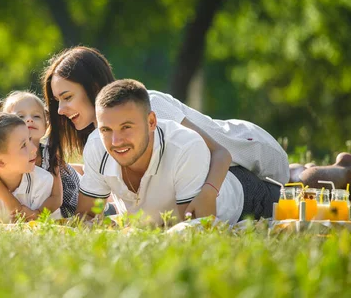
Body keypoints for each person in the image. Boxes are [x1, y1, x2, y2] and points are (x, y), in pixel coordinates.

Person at [42, 46, 290, 218]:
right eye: (57, 101)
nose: (61, 109)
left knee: (303, 183)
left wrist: (208, 193)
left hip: (246, 151)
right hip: (208, 174)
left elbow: (221, 153)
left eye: (67, 97)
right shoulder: (100, 138)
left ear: (93, 87)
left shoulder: (152, 106)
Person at [76, 80, 280, 224]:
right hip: (174, 194)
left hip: (243, 197)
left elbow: (189, 229)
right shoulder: (97, 147)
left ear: (151, 122)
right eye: (106, 129)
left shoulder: (184, 146)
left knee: (300, 197)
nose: (116, 141)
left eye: (126, 127)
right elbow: (85, 217)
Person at [0, 91, 81, 218]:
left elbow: (56, 198)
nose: (29, 119)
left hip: (68, 197)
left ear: (46, 123)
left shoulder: (50, 156)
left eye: (36, 116)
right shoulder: (4, 154)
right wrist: (12, 203)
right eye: (20, 117)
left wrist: (36, 214)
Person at [0, 112, 57, 222]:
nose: (34, 148)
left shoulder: (43, 180)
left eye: (30, 139)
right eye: (23, 145)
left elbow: (37, 224)